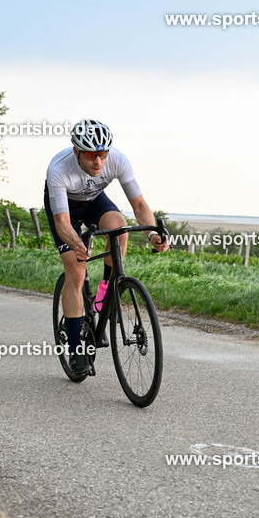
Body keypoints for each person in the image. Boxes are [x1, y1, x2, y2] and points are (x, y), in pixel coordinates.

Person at [44, 119, 168, 374]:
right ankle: (77, 350)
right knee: (76, 270)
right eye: (90, 155)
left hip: (93, 201)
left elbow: (139, 206)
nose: (98, 161)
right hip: (64, 209)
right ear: (77, 151)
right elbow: (63, 223)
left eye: (102, 154)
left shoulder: (118, 160)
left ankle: (105, 294)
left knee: (119, 228)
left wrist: (153, 235)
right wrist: (77, 245)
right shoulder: (58, 169)